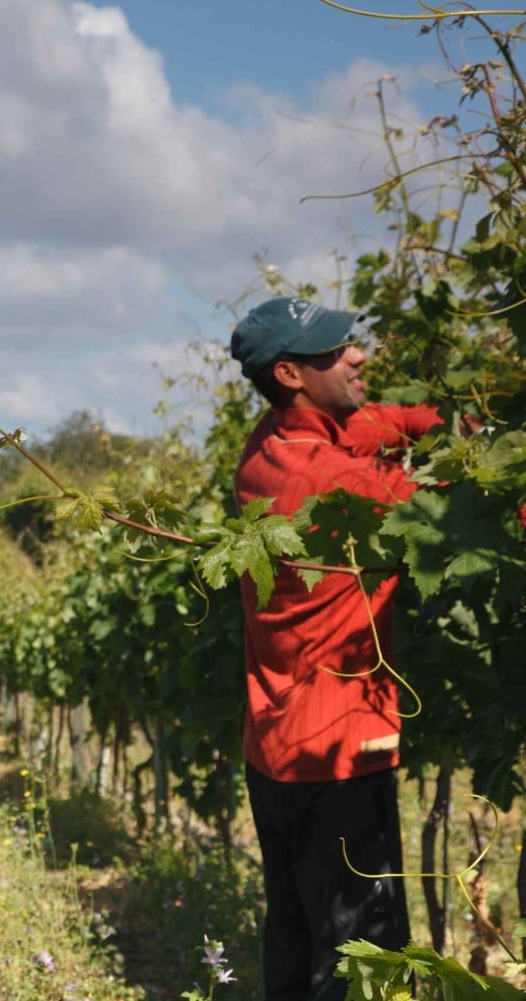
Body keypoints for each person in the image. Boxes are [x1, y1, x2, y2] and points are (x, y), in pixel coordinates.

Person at [229, 297, 439, 1000]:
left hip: (277, 746)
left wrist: (415, 420)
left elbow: (365, 424)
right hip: (340, 750)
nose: (358, 356)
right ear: (290, 372)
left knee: (294, 937)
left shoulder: (267, 447)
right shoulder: (334, 480)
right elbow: (441, 517)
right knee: (362, 956)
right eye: (334, 353)